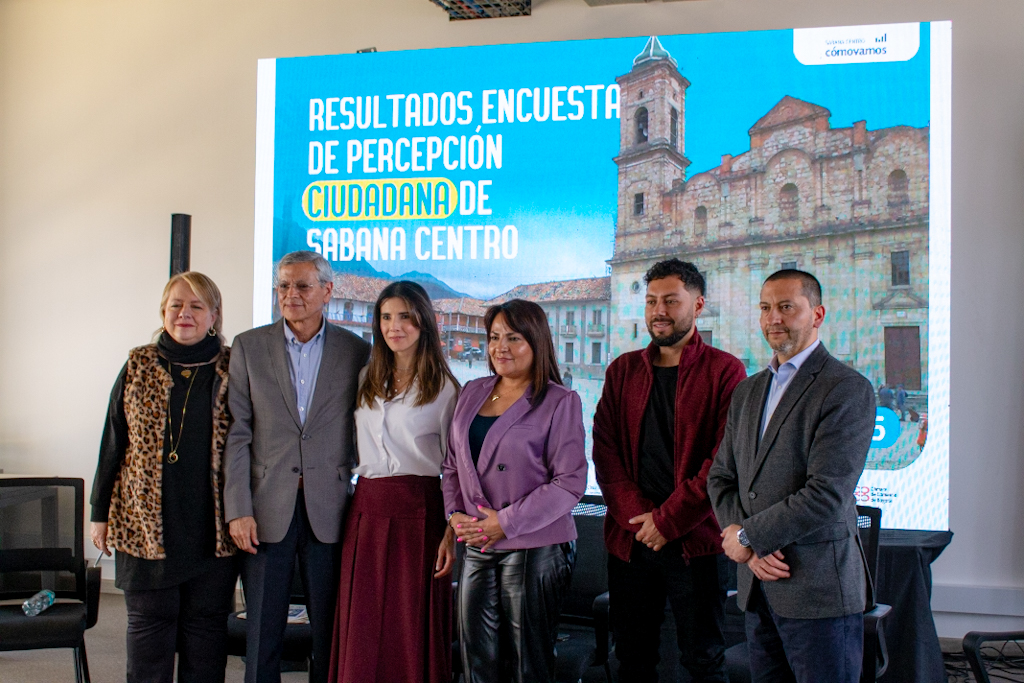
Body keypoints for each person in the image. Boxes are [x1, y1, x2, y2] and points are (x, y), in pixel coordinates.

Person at [707, 269, 876, 683]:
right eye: (765, 308)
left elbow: (826, 493)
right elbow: (721, 477)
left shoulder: (846, 388)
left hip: (817, 592)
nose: (773, 318)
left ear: (816, 314)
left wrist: (748, 538)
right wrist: (743, 541)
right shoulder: (748, 391)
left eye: (786, 307)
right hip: (758, 588)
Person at [592, 258, 746, 682]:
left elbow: (724, 459)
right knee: (632, 660)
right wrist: (639, 517)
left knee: (703, 661)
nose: (659, 310)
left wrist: (668, 520)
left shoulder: (725, 370)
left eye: (671, 301)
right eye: (652, 301)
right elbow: (604, 450)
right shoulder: (622, 370)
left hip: (695, 542)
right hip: (631, 539)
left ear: (698, 305)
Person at [223, 251, 370, 683]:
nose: (291, 295)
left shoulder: (356, 350)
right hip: (265, 511)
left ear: (327, 291)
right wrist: (238, 508)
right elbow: (238, 432)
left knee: (329, 633)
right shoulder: (248, 346)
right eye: (283, 286)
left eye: (303, 286)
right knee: (262, 633)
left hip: (332, 511)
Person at [90, 272, 238, 683]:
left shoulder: (232, 367)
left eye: (196, 306)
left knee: (205, 640)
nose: (184, 314)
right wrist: (98, 512)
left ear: (214, 315)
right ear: (163, 311)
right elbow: (112, 441)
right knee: (148, 640)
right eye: (176, 305)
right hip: (144, 527)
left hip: (212, 531)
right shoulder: (137, 363)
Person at [442, 299, 588, 683]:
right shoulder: (472, 391)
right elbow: (451, 465)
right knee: (477, 660)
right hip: (477, 543)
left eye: (513, 337)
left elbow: (570, 481)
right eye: (493, 337)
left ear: (536, 342)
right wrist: (455, 515)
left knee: (528, 664)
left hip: (536, 546)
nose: (499, 347)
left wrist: (504, 523)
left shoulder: (559, 400)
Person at [329, 281, 459, 683]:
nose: (394, 326)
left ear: (424, 321)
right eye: (386, 317)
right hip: (366, 509)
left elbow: (456, 468)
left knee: (409, 621)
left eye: (404, 316)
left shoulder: (445, 388)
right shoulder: (367, 376)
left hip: (420, 512)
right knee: (364, 621)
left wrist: (452, 531)